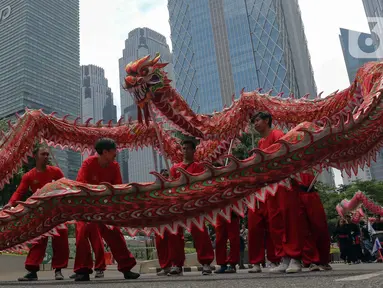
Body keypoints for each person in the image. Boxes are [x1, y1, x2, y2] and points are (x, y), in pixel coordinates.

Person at [72, 138, 139, 281]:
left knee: (115, 233)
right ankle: (82, 270)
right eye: (114, 150)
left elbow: (119, 187)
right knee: (82, 232)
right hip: (86, 207)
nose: (116, 153)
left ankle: (126, 268)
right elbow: (81, 185)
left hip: (105, 208)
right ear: (105, 152)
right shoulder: (88, 163)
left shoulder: (114, 166)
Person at [4, 146, 69, 281]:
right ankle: (32, 271)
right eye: (43, 154)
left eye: (47, 154)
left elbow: (66, 185)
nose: (46, 156)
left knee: (61, 239)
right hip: (40, 212)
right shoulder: (29, 176)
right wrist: (11, 203)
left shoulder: (56, 171)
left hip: (57, 211)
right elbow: (20, 191)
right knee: (38, 240)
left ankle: (58, 270)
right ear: (35, 156)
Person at [249, 112, 302, 273]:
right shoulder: (260, 142)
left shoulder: (277, 134)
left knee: (287, 219)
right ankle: (284, 258)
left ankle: (295, 258)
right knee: (275, 222)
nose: (255, 124)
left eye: (257, 120)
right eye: (253, 122)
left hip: (282, 183)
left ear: (267, 120)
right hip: (269, 187)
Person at [167, 140, 215, 276]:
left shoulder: (199, 167)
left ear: (194, 151)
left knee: (200, 233)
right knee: (175, 234)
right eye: (183, 148)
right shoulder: (175, 168)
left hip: (194, 205)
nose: (185, 151)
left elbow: (203, 185)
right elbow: (171, 186)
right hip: (178, 205)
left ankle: (206, 263)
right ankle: (176, 264)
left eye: (188, 148)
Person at [294, 170, 332, 271]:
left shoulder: (311, 159)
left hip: (312, 194)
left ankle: (323, 260)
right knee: (304, 230)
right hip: (296, 195)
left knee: (320, 227)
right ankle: (311, 261)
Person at [213, 162, 240, 274]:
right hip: (219, 214)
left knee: (233, 238)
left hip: (232, 212)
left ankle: (233, 264)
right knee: (219, 239)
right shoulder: (212, 183)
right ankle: (222, 263)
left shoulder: (230, 179)